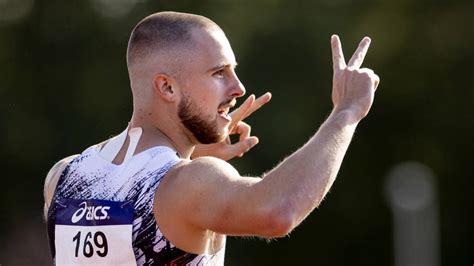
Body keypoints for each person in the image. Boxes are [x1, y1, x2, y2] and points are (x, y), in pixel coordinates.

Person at [43, 11, 379, 265]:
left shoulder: (63, 175)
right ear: (167, 87)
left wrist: (190, 154)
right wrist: (346, 112)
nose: (238, 88)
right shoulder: (188, 182)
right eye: (219, 73)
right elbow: (278, 211)